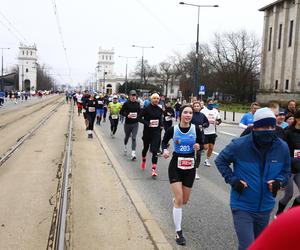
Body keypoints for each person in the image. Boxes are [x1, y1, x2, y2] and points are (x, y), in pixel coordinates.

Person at [215, 107, 291, 250]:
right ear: (255, 127)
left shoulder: (282, 147)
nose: (269, 130)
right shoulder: (239, 145)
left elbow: (286, 171)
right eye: (264, 126)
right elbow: (220, 161)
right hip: (242, 205)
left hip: (266, 207)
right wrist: (233, 180)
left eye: (271, 126)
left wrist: (279, 182)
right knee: (247, 246)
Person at [162, 105, 202, 246]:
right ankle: (178, 232)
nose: (188, 115)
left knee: (184, 200)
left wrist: (198, 146)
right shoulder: (173, 129)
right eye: (185, 112)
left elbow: (201, 143)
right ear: (180, 114)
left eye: (190, 113)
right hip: (175, 166)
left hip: (190, 167)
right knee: (179, 200)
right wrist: (165, 150)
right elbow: (163, 142)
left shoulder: (196, 129)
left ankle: (177, 200)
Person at [275, 109, 300, 216]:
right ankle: (279, 214)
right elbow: (281, 151)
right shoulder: (288, 132)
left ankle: (289, 215)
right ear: (298, 119)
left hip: (299, 168)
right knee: (289, 194)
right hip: (288, 168)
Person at [138, 93, 163, 177]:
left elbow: (160, 118)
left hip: (156, 132)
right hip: (147, 132)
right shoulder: (146, 109)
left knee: (155, 151)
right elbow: (139, 118)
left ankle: (153, 170)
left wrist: (161, 125)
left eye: (158, 98)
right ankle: (143, 159)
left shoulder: (159, 109)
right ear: (151, 99)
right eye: (154, 98)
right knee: (145, 148)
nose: (156, 100)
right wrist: (147, 123)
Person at [120, 90, 140, 160]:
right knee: (127, 137)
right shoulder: (126, 103)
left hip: (135, 124)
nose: (133, 97)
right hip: (128, 123)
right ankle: (125, 145)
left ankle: (133, 154)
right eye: (132, 95)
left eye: (134, 95)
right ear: (129, 96)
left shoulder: (138, 104)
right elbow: (121, 112)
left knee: (134, 138)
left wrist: (139, 117)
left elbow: (140, 112)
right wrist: (127, 115)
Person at [201, 99, 221, 167]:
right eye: (210, 103)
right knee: (206, 147)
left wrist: (217, 122)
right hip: (205, 131)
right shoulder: (203, 111)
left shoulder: (215, 111)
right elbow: (200, 119)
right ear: (207, 104)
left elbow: (219, 120)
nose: (211, 104)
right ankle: (201, 149)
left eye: (212, 103)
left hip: (212, 132)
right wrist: (203, 124)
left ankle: (207, 160)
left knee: (211, 148)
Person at [191, 101, 209, 179]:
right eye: (195, 106)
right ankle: (189, 169)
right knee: (190, 154)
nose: (196, 107)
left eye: (198, 106)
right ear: (193, 107)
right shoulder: (190, 115)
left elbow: (207, 123)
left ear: (200, 107)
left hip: (200, 137)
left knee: (198, 154)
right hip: (191, 136)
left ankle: (195, 171)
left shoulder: (202, 115)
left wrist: (203, 125)